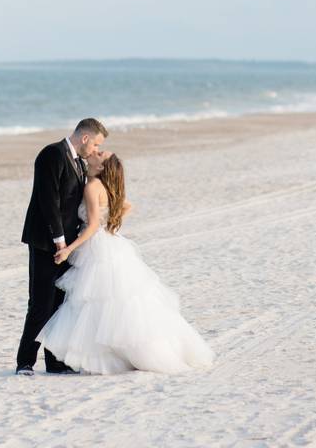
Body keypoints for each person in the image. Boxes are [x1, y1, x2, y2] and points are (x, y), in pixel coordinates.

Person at [37, 151, 215, 374]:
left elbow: (92, 226)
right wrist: (111, 221)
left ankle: (107, 354)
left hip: (96, 246)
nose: (95, 151)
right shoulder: (104, 185)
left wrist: (69, 249)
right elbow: (127, 206)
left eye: (100, 153)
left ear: (101, 167)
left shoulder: (93, 186)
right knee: (109, 300)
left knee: (97, 300)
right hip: (109, 242)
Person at [15, 118, 108, 375]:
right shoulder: (51, 154)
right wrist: (59, 240)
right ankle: (25, 361)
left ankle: (54, 362)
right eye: (96, 143)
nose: (95, 150)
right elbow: (48, 201)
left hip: (67, 246)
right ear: (85, 137)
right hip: (46, 243)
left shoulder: (79, 162)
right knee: (40, 303)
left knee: (59, 304)